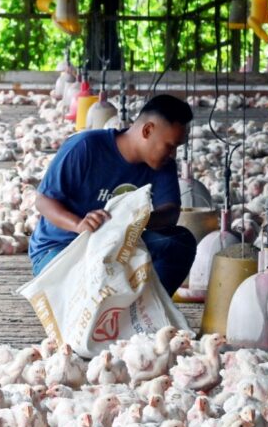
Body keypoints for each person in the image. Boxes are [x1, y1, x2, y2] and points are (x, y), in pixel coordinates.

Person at [28, 93, 198, 296]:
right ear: (147, 130)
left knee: (179, 242)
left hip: (115, 247)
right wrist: (79, 224)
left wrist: (134, 221)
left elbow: (170, 213)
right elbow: (43, 201)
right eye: (170, 146)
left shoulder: (162, 165)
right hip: (63, 248)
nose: (173, 154)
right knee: (90, 285)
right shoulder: (85, 147)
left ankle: (146, 311)